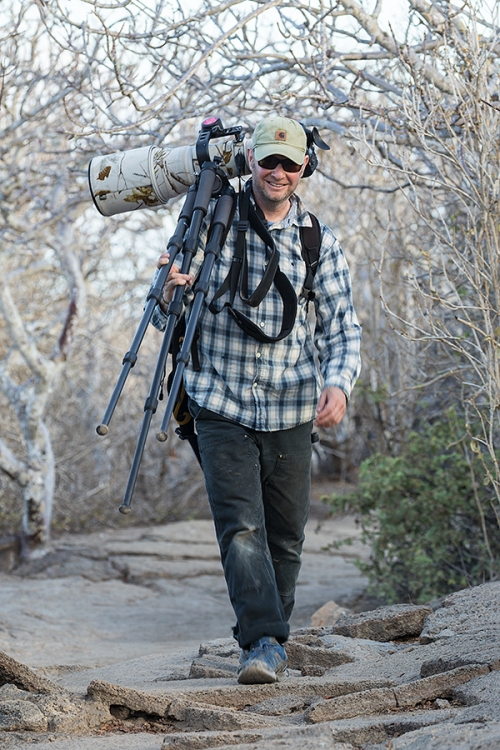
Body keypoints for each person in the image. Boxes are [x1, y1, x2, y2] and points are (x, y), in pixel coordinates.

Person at [151, 116, 361, 685]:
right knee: (241, 526)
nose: (278, 172)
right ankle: (262, 642)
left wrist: (338, 382)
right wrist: (172, 290)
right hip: (219, 399)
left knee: (285, 534)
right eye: (269, 160)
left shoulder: (320, 242)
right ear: (251, 161)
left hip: (292, 405)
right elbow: (163, 307)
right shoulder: (209, 224)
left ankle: (271, 634)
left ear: (305, 169)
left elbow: (343, 329)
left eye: (290, 164)